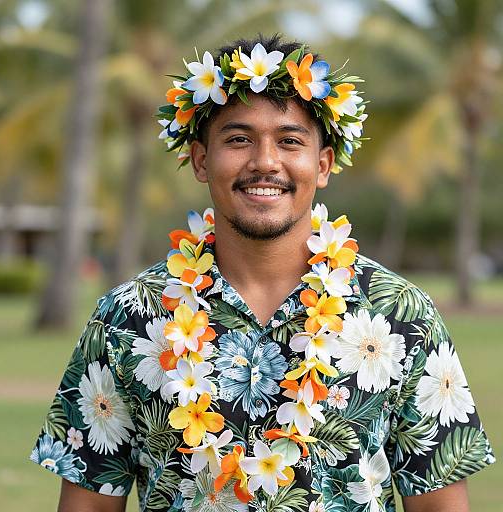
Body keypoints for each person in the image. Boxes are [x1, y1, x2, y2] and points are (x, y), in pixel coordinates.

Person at [30, 34, 495, 512]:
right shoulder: (128, 317)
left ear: (323, 164)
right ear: (200, 160)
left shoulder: (401, 315)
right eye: (238, 139)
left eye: (290, 141)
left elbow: (441, 504)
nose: (265, 162)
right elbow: (87, 504)